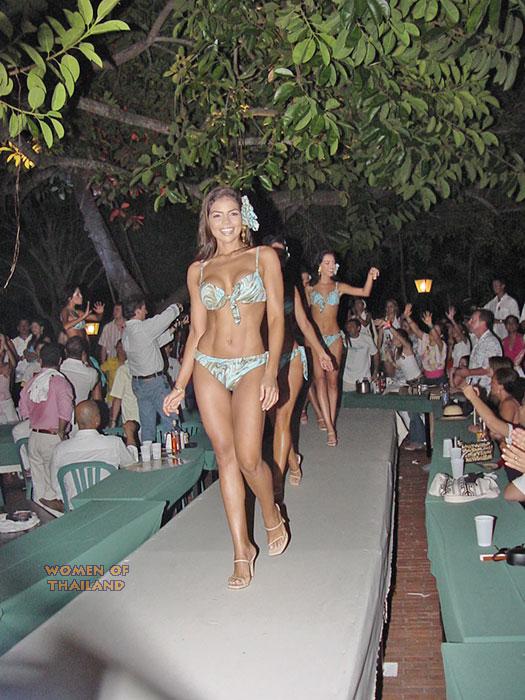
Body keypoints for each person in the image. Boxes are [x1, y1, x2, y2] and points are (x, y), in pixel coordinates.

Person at [163, 186, 287, 591]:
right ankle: (241, 549)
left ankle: (270, 512)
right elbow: (198, 331)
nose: (226, 222)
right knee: (225, 458)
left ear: (244, 216)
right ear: (207, 222)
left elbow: (276, 319)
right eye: (216, 215)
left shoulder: (264, 257)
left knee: (250, 457)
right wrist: (180, 384)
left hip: (252, 364)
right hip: (209, 366)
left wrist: (270, 372)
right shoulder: (198, 271)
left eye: (232, 213)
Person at [263, 234, 333, 493]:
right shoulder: (252, 286)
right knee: (274, 422)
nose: (276, 259)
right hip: (263, 362)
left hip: (290, 356)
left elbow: (304, 324)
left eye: (281, 255)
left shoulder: (290, 288)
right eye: (272, 253)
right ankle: (293, 462)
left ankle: (276, 485)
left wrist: (321, 352)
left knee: (283, 418)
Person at [306, 251, 379, 445]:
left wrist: (370, 276)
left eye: (333, 262)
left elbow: (364, 292)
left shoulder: (339, 287)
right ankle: (330, 428)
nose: (331, 266)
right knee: (319, 380)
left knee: (332, 382)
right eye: (327, 262)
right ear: (319, 266)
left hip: (334, 338)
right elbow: (301, 315)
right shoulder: (309, 289)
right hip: (316, 340)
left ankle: (330, 421)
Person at [49, 399, 136, 508]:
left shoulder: (60, 449)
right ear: (97, 420)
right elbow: (133, 465)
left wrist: (68, 502)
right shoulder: (114, 443)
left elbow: (56, 484)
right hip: (109, 506)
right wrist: (130, 434)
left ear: (76, 421)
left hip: (75, 509)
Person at [19, 343, 74, 513]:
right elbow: (65, 411)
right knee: (55, 488)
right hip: (52, 436)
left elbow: (23, 409)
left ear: (41, 361)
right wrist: (61, 432)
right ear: (60, 360)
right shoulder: (60, 382)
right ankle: (55, 520)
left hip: (35, 437)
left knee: (39, 487)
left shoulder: (32, 382)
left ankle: (42, 518)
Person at [122, 295, 182, 442]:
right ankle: (176, 452)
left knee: (147, 425)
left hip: (139, 384)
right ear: (137, 311)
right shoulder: (142, 328)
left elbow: (154, 343)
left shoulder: (127, 333)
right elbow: (164, 318)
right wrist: (178, 306)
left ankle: (148, 452)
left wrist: (174, 328)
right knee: (170, 419)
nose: (146, 311)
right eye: (144, 308)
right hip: (154, 383)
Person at [376, 322, 425, 450]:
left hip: (418, 382)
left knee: (413, 411)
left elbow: (398, 336)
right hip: (410, 384)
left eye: (395, 338)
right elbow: (398, 367)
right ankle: (416, 437)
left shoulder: (408, 347)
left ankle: (418, 440)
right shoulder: (398, 352)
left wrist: (389, 326)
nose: (393, 340)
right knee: (410, 410)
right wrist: (390, 358)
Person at [453, 309, 502, 392]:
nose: (469, 322)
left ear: (483, 323)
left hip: (484, 390)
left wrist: (468, 372)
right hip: (474, 389)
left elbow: (488, 369)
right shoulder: (477, 340)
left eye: (473, 320)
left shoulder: (491, 342)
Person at [403, 305, 446, 384]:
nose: (433, 331)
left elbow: (437, 339)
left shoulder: (441, 344)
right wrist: (407, 317)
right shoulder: (425, 338)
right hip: (426, 378)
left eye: (436, 331)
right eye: (433, 329)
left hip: (439, 379)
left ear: (441, 335)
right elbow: (416, 330)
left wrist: (430, 325)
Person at [109, 341, 140, 446]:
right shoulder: (147, 368)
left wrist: (113, 421)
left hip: (131, 423)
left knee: (133, 450)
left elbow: (118, 398)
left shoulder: (123, 370)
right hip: (147, 420)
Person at [60, 336, 101, 405]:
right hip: (80, 409)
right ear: (83, 353)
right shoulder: (92, 373)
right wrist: (86, 362)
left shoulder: (59, 368)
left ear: (65, 351)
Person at [342, 318, 379, 391]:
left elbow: (375, 354)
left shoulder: (367, 339)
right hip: (347, 379)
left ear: (358, 328)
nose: (349, 329)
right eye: (348, 327)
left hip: (364, 379)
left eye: (352, 326)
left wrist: (375, 371)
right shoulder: (343, 340)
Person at [98, 301, 125, 394]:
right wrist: (103, 364)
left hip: (126, 363)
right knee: (113, 389)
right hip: (112, 363)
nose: (115, 312)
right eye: (114, 309)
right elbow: (103, 347)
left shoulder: (129, 325)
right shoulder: (108, 327)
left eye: (117, 309)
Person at [12, 318, 31, 402]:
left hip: (32, 376)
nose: (23, 327)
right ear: (18, 328)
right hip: (18, 378)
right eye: (21, 325)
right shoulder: (13, 342)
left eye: (26, 325)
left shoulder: (33, 339)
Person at [0, 333, 17, 423]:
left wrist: (6, 345)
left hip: (7, 403)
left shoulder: (6, 367)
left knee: (13, 426)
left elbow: (13, 362)